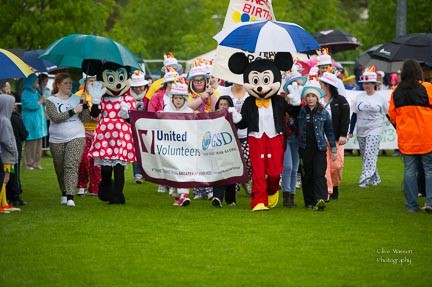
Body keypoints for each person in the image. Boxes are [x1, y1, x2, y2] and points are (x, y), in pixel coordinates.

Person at [388, 59, 432, 213]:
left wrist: (400, 127)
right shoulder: (427, 88)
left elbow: (391, 115)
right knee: (429, 170)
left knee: (409, 171)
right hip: (426, 136)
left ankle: (411, 205)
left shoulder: (396, 91)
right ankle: (431, 203)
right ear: (418, 72)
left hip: (407, 137)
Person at [46, 73, 90, 207]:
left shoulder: (77, 98)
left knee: (71, 165)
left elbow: (85, 119)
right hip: (56, 139)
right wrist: (73, 111)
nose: (69, 85)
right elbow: (55, 118)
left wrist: (85, 106)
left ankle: (70, 196)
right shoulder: (50, 100)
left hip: (76, 135)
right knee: (60, 168)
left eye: (70, 83)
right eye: (66, 83)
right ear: (58, 84)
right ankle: (64, 192)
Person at [297, 80, 337, 211]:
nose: (310, 99)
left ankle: (320, 199)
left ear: (317, 97)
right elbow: (295, 128)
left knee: (319, 174)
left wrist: (333, 148)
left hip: (319, 148)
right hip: (304, 148)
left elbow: (329, 131)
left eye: (313, 96)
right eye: (308, 96)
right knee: (306, 175)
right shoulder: (301, 112)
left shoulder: (324, 113)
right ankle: (309, 202)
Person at [348, 67, 388, 188]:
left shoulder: (380, 98)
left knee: (370, 154)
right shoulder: (359, 97)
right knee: (365, 155)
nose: (366, 85)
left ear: (374, 84)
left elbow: (388, 114)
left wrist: (397, 127)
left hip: (375, 129)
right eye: (364, 83)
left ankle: (364, 178)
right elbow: (354, 115)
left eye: (369, 83)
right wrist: (351, 130)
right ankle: (376, 179)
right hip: (361, 129)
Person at [187, 64, 219, 200]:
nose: (199, 82)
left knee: (209, 160)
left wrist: (210, 94)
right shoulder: (188, 95)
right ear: (192, 82)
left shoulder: (214, 93)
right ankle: (198, 190)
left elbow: (217, 108)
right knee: (196, 161)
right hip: (193, 131)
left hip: (209, 131)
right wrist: (201, 98)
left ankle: (210, 188)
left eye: (201, 79)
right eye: (196, 80)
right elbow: (187, 108)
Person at [318, 72, 350, 200]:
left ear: (327, 85)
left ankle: (335, 185)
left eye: (321, 83)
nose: (319, 85)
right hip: (321, 138)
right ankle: (328, 191)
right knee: (325, 166)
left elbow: (345, 118)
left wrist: (343, 134)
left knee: (337, 165)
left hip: (336, 139)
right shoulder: (318, 99)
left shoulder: (341, 100)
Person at [163, 80, 193, 207]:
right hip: (171, 147)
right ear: (172, 99)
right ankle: (176, 195)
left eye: (181, 98)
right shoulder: (166, 111)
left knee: (184, 170)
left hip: (185, 147)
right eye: (176, 98)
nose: (179, 101)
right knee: (173, 171)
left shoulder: (190, 112)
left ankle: (184, 194)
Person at [148, 68, 178, 193]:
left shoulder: (181, 96)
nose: (172, 85)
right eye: (170, 82)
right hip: (160, 130)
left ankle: (172, 182)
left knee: (174, 156)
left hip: (175, 131)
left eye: (174, 83)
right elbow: (150, 112)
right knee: (161, 156)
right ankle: (162, 181)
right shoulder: (157, 96)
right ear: (166, 83)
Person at [219, 82, 251, 195]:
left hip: (245, 133)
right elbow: (217, 104)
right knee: (233, 162)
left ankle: (245, 180)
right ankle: (235, 186)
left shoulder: (250, 90)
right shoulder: (224, 90)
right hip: (230, 137)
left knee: (247, 160)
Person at [280, 70, 307, 207]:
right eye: (296, 83)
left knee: (295, 167)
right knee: (288, 166)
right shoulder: (281, 103)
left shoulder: (302, 105)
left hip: (296, 138)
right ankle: (286, 193)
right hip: (285, 139)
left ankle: (291, 196)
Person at [211, 95, 242, 207]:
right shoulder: (212, 117)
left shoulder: (233, 116)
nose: (223, 107)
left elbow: (239, 123)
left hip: (231, 149)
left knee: (230, 173)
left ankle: (230, 199)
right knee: (219, 172)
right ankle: (217, 197)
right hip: (217, 149)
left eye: (225, 104)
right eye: (221, 104)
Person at [75, 73, 101, 196]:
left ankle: (95, 186)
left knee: (96, 161)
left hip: (97, 132)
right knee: (84, 159)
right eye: (90, 81)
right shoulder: (77, 96)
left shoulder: (100, 95)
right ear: (84, 82)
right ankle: (82, 184)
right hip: (81, 131)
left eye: (94, 81)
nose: (92, 83)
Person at [21, 74, 48, 170]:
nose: (37, 82)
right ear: (30, 82)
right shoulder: (26, 93)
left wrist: (43, 100)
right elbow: (29, 106)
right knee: (31, 143)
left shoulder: (37, 92)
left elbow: (41, 103)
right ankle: (28, 163)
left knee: (39, 143)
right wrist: (39, 102)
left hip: (39, 122)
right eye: (35, 81)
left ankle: (36, 163)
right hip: (30, 122)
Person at [6, 100, 28, 206]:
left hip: (4, 152)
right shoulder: (15, 118)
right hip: (14, 150)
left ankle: (6, 194)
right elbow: (24, 133)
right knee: (15, 173)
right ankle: (15, 196)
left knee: (6, 172)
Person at [0, 94, 19, 212]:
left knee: (5, 178)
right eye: (12, 103)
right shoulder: (4, 120)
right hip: (7, 155)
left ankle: (4, 202)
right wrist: (13, 150)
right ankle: (2, 203)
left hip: (8, 155)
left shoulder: (4, 119)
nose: (14, 106)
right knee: (4, 178)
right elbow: (6, 140)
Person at [130, 70, 149, 184]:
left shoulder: (149, 95)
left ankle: (146, 173)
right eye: (135, 87)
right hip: (132, 125)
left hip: (146, 125)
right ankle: (137, 173)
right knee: (135, 149)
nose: (138, 89)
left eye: (140, 86)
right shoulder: (128, 96)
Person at [38, 73, 51, 157]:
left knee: (48, 132)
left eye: (47, 81)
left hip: (47, 114)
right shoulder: (37, 90)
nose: (46, 82)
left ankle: (45, 150)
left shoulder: (48, 90)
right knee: (41, 132)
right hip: (40, 113)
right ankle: (41, 151)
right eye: (44, 81)